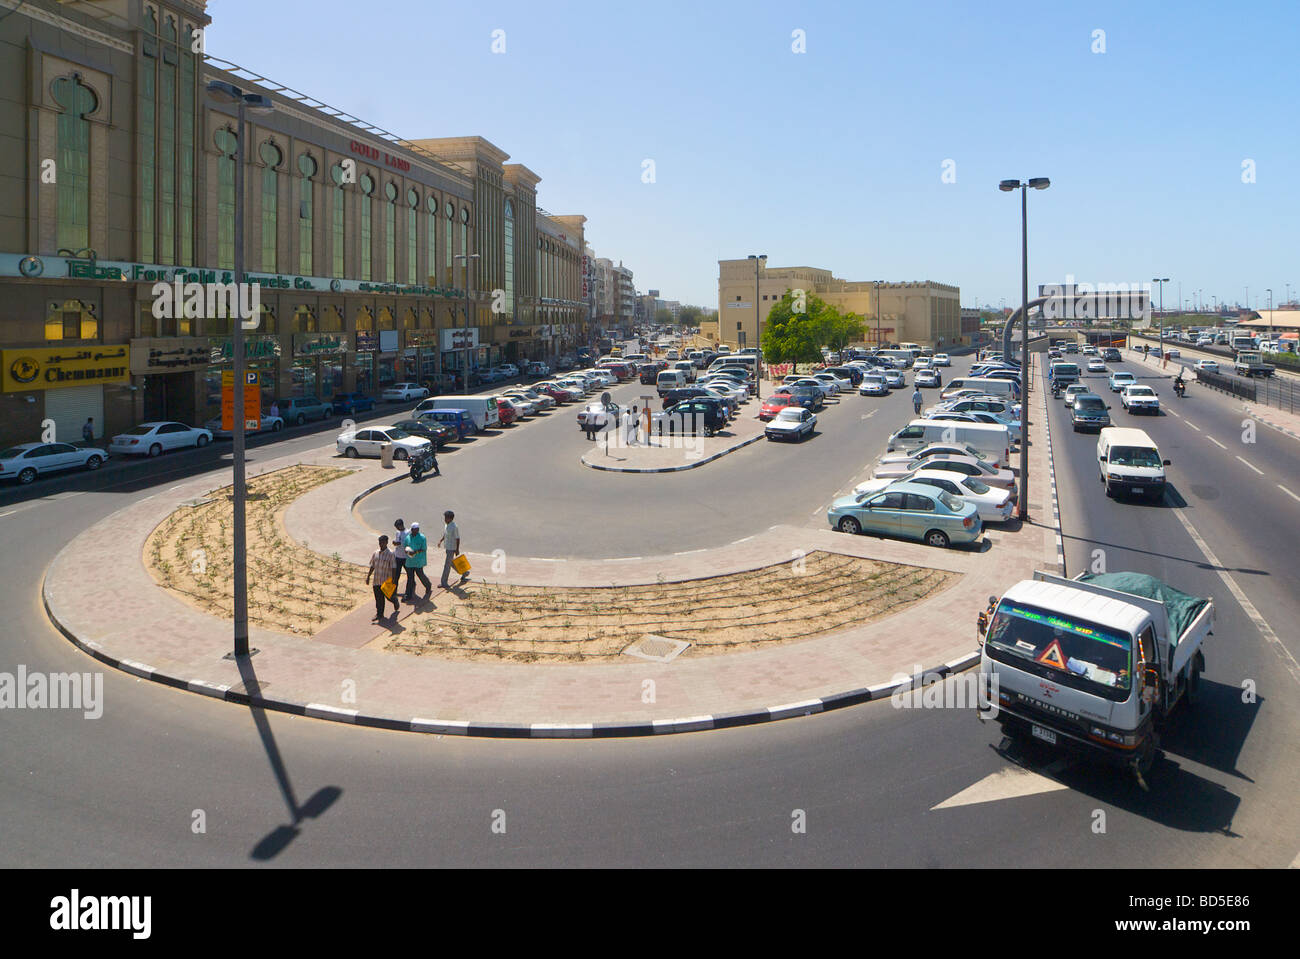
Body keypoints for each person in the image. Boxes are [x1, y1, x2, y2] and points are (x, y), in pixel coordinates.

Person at [365, 534, 400, 621]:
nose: (381, 544)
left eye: (383, 542)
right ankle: (379, 614)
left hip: (386, 580)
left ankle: (395, 601)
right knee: (378, 598)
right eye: (380, 542)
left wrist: (394, 580)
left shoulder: (391, 554)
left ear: (387, 542)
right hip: (377, 580)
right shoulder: (375, 553)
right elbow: (372, 565)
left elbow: (393, 568)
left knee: (389, 597)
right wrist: (368, 576)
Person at [403, 521, 431, 600]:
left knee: (420, 575)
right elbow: (405, 546)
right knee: (410, 578)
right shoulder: (408, 537)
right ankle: (408, 595)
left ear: (418, 529)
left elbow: (424, 548)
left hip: (418, 561)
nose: (415, 531)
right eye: (413, 529)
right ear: (411, 530)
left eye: (416, 529)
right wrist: (407, 551)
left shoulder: (422, 537)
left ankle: (428, 585)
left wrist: (416, 552)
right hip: (410, 561)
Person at [437, 510, 462, 589]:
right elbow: (445, 534)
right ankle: (465, 572)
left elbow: (457, 538)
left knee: (447, 565)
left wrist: (457, 549)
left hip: (452, 548)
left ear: (450, 519)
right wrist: (441, 540)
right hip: (447, 547)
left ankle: (444, 582)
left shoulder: (454, 527)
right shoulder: (446, 525)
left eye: (446, 518)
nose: (445, 519)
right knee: (451, 563)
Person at [392, 519, 408, 585]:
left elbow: (407, 543)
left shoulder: (408, 532)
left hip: (405, 557)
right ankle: (394, 591)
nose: (397, 529)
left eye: (397, 527)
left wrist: (399, 543)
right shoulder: (397, 532)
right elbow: (397, 541)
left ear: (401, 525)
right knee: (396, 575)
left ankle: (411, 587)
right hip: (398, 556)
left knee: (409, 573)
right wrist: (395, 543)